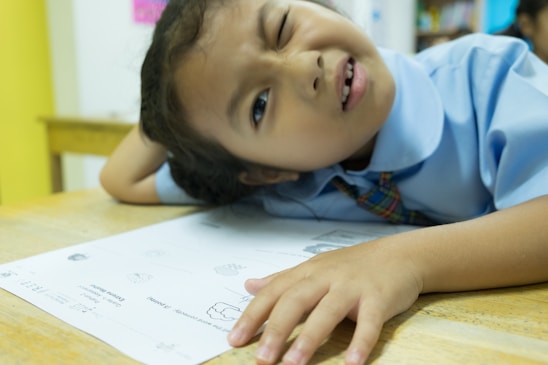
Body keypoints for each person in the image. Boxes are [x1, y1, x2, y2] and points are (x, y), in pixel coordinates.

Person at [100, 0, 548, 364]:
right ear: (263, 169)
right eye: (258, 104)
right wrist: (176, 100)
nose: (303, 67)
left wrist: (402, 261)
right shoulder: (282, 184)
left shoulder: (487, 75)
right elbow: (120, 178)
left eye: (281, 27)